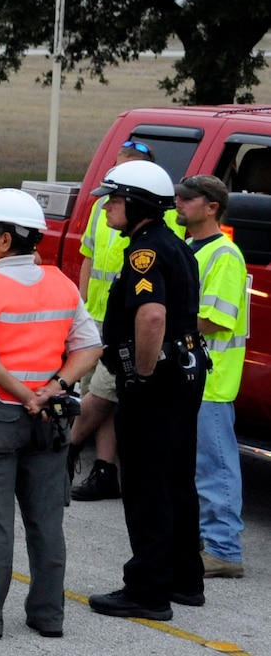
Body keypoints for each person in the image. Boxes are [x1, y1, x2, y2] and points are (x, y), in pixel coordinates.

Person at [0, 189, 103, 641]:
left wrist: (25, 395)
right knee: (46, 521)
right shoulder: (61, 283)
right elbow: (89, 345)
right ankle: (48, 616)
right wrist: (54, 388)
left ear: (6, 240)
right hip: (50, 417)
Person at [86, 160, 208, 621]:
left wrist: (139, 373)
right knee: (176, 477)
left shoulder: (144, 252)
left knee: (145, 484)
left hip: (157, 383)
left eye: (114, 200)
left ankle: (148, 590)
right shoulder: (174, 245)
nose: (106, 207)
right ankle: (184, 579)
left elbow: (152, 315)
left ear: (137, 204)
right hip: (185, 374)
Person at [70, 141, 159, 500]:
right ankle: (105, 470)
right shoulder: (101, 208)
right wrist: (80, 311)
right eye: (115, 168)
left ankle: (58, 451)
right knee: (100, 397)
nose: (115, 177)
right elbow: (88, 257)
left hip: (126, 325)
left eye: (125, 169)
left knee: (100, 396)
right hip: (95, 318)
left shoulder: (155, 218)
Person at [176, 175, 249, 579]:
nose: (179, 203)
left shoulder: (225, 255)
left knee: (215, 466)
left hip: (212, 377)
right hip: (192, 375)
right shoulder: (192, 248)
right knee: (196, 464)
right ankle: (207, 541)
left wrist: (163, 325)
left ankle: (223, 550)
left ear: (212, 207)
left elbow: (214, 319)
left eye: (189, 199)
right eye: (179, 197)